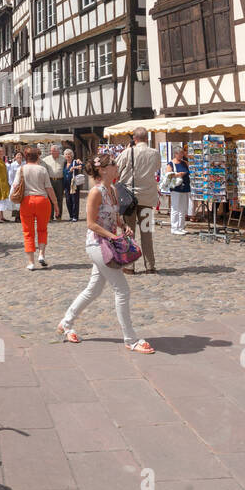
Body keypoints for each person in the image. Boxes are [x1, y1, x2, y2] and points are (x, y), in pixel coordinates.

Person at [57, 151, 154, 353]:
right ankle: (131, 339)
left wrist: (123, 226)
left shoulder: (113, 190)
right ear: (103, 169)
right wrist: (112, 236)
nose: (117, 167)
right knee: (122, 290)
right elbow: (91, 224)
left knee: (94, 289)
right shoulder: (96, 192)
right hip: (97, 245)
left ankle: (66, 323)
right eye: (114, 165)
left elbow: (114, 216)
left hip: (108, 244)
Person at [115, 128, 161, 274]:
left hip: (130, 199)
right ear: (147, 138)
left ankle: (129, 266)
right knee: (147, 232)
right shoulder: (155, 153)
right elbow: (157, 168)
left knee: (129, 231)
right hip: (148, 197)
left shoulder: (128, 152)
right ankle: (150, 265)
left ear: (134, 138)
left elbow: (116, 167)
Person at [16, 145, 58, 270]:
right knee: (42, 229)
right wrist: (55, 204)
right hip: (42, 201)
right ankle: (41, 254)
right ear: (38, 157)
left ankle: (31, 262)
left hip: (27, 201)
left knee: (28, 232)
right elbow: (49, 188)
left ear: (26, 157)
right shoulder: (42, 170)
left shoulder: (22, 169)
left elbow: (15, 185)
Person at [165, 144, 191, 235]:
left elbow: (189, 171)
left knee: (183, 208)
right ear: (175, 154)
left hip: (185, 187)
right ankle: (174, 227)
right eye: (180, 154)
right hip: (176, 188)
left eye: (182, 154)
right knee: (175, 207)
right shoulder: (171, 163)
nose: (181, 155)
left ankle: (181, 226)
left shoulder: (184, 163)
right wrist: (178, 174)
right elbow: (168, 174)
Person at [40, 144, 64, 220]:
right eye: (52, 151)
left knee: (59, 199)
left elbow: (71, 161)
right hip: (50, 180)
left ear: (58, 152)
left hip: (60, 180)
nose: (53, 153)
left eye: (54, 151)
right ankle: (50, 216)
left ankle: (58, 216)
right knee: (50, 199)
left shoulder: (63, 158)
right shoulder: (46, 159)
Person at [62, 148, 82, 222]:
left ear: (72, 155)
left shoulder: (75, 162)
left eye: (69, 154)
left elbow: (81, 165)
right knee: (68, 200)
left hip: (73, 184)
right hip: (66, 184)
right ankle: (70, 215)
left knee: (74, 200)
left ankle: (75, 216)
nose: (68, 156)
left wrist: (74, 167)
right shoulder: (64, 163)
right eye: (66, 154)